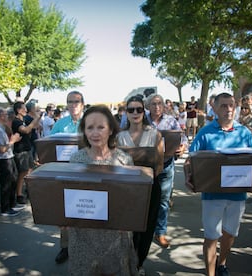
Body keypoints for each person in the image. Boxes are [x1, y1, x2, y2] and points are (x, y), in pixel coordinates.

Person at [186, 92, 252, 276]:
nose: (228, 109)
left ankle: (222, 264)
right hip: (212, 195)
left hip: (238, 195)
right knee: (211, 237)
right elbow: (190, 160)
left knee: (230, 235)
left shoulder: (244, 133)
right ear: (215, 109)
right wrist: (189, 177)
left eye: (231, 105)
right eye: (224, 106)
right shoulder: (205, 132)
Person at [68, 104, 138, 275]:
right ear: (84, 131)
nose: (95, 133)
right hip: (83, 235)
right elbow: (69, 196)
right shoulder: (76, 160)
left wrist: (128, 221)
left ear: (111, 130)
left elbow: (131, 198)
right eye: (90, 127)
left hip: (115, 234)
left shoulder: (124, 160)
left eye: (101, 127)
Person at [116, 95, 164, 274]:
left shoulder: (155, 134)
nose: (135, 113)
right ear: (126, 113)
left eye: (139, 109)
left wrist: (146, 179)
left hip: (150, 186)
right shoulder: (118, 137)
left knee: (146, 227)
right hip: (126, 188)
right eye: (131, 110)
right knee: (127, 228)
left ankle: (139, 263)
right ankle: (125, 261)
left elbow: (159, 164)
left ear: (144, 112)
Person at [145, 94, 187, 248]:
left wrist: (182, 147)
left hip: (166, 165)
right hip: (145, 166)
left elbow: (183, 139)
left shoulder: (170, 121)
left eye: (159, 103)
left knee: (163, 201)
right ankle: (145, 230)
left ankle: (160, 232)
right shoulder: (142, 119)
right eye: (153, 104)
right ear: (148, 106)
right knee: (146, 200)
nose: (157, 107)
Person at [50, 91, 85, 264]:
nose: (73, 104)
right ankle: (66, 247)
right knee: (66, 211)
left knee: (86, 208)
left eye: (76, 101)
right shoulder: (59, 125)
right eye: (70, 101)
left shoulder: (90, 122)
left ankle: (86, 247)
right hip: (65, 173)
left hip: (87, 173)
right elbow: (49, 147)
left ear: (82, 104)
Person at [0, 108, 22, 217]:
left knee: (13, 180)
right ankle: (5, 208)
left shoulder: (2, 128)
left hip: (9, 156)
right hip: (3, 159)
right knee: (6, 183)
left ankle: (11, 205)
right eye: (5, 114)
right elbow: (2, 149)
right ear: (0, 116)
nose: (7, 116)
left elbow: (10, 134)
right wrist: (13, 141)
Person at [12, 101, 41, 205]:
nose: (26, 110)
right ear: (18, 110)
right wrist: (34, 121)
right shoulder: (16, 122)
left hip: (27, 148)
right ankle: (19, 194)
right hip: (20, 150)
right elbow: (25, 130)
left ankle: (28, 190)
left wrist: (37, 117)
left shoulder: (23, 119)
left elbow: (35, 127)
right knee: (22, 172)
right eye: (24, 108)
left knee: (29, 170)